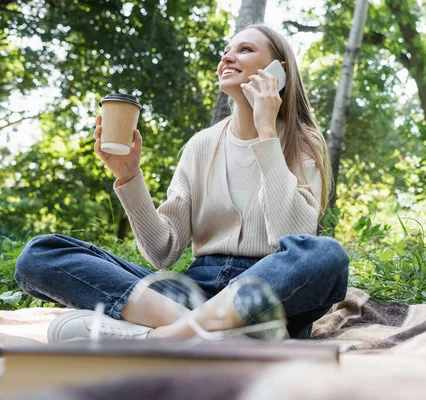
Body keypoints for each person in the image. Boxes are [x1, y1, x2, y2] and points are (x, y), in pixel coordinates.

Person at [14, 24, 349, 342]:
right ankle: (221, 333)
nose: (227, 58)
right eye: (226, 51)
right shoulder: (201, 145)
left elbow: (292, 238)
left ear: (279, 72)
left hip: (269, 293)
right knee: (41, 254)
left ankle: (162, 336)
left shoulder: (303, 143)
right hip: (190, 292)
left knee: (325, 255)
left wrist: (266, 135)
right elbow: (164, 251)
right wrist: (129, 175)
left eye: (245, 49)